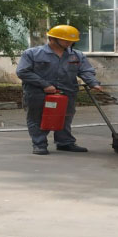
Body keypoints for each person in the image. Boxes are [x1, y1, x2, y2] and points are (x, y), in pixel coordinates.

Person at [16, 24, 103, 155]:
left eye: (72, 41)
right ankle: (39, 144)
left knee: (65, 117)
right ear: (52, 39)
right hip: (38, 93)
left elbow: (85, 70)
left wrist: (93, 83)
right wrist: (44, 85)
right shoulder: (32, 53)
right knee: (37, 118)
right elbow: (23, 72)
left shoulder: (76, 55)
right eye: (66, 40)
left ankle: (65, 143)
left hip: (67, 92)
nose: (69, 43)